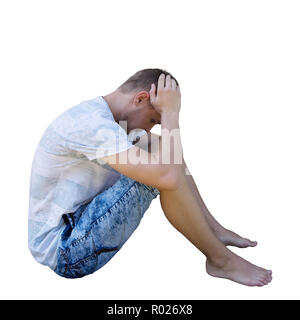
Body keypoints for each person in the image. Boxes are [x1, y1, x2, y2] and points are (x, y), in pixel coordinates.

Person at [28, 68, 272, 286]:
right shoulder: (92, 124)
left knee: (164, 152)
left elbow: (170, 157)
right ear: (141, 99)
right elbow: (167, 176)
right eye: (153, 120)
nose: (149, 129)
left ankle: (213, 231)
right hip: (66, 250)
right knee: (162, 168)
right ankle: (220, 261)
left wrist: (165, 124)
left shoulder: (111, 118)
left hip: (78, 227)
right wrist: (170, 114)